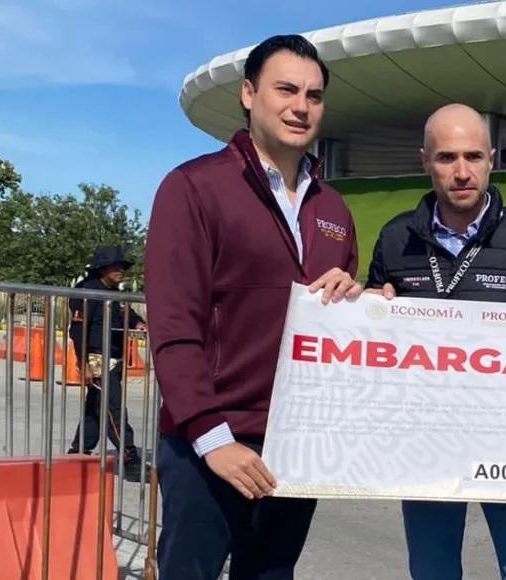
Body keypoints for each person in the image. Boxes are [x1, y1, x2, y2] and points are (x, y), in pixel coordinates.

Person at [145, 35, 361, 580]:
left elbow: (337, 324)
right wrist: (212, 438)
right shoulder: (193, 187)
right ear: (248, 94)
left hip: (296, 441)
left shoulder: (333, 208)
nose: (300, 106)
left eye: (313, 95)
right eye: (285, 89)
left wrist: (360, 301)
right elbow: (173, 326)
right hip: (210, 443)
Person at [366, 103, 506, 580]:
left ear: (492, 159)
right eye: (447, 157)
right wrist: (369, 310)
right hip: (425, 441)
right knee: (432, 572)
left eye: (473, 156)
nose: (462, 172)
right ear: (425, 161)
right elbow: (373, 342)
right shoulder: (395, 239)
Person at [67, 245, 146, 483]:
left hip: (114, 358)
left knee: (95, 408)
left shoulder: (114, 292)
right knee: (113, 408)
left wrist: (138, 323)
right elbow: (78, 330)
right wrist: (84, 364)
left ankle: (78, 452)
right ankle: (130, 457)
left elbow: (128, 314)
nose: (121, 270)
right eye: (116, 266)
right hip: (97, 358)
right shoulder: (88, 291)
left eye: (122, 266)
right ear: (102, 269)